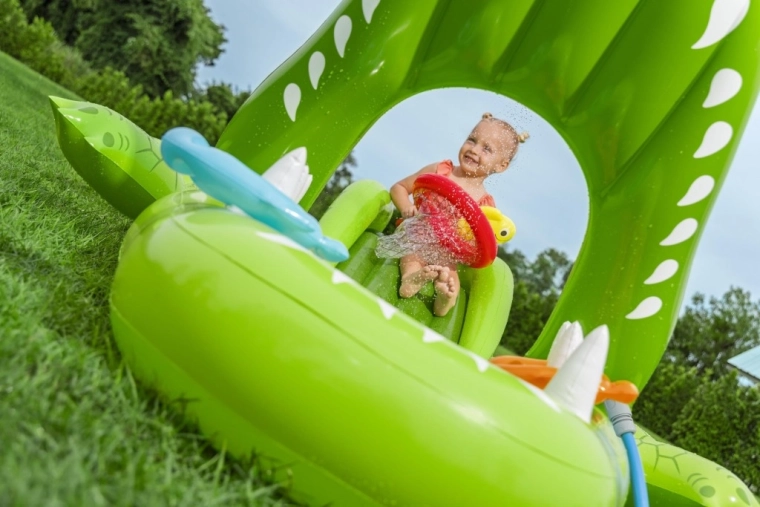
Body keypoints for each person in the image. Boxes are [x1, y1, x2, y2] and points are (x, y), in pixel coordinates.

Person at [386, 113, 528, 317]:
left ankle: (444, 300)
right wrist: (406, 206)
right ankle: (410, 278)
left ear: (501, 165)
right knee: (413, 254)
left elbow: (481, 244)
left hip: (445, 254)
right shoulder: (441, 170)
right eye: (472, 139)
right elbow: (399, 187)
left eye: (486, 149)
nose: (474, 149)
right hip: (415, 232)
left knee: (452, 280)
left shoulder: (486, 206)